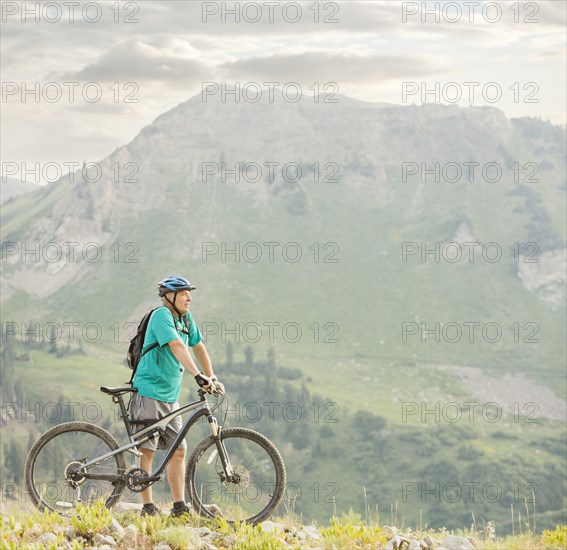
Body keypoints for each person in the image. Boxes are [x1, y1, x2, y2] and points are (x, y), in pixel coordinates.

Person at [130, 276, 224, 517]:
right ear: (170, 297)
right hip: (149, 392)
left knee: (178, 450)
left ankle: (179, 507)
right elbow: (176, 346)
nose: (189, 297)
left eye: (189, 293)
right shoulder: (161, 316)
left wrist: (211, 378)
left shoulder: (186, 319)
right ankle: (147, 506)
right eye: (184, 293)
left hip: (171, 399)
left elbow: (198, 346)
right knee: (147, 450)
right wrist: (197, 375)